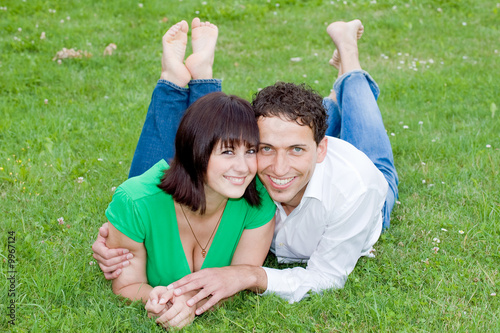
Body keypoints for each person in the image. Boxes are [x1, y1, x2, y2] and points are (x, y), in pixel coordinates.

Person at [93, 19, 398, 315]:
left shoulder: (356, 190)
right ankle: (321, 103)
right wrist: (118, 233)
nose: (277, 169)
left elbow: (326, 276)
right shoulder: (247, 169)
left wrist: (249, 275)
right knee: (292, 126)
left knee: (365, 124)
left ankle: (348, 55)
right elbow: (203, 143)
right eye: (264, 148)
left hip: (368, 182)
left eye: (296, 150)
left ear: (321, 150)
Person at [100, 18, 275, 329]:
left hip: (187, 177)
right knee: (179, 146)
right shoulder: (136, 199)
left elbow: (241, 275)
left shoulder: (258, 201)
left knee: (213, 124)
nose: (245, 167)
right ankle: (180, 75)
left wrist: (189, 303)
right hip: (162, 189)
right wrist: (158, 298)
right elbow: (127, 285)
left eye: (251, 151)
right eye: (229, 152)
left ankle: (189, 73)